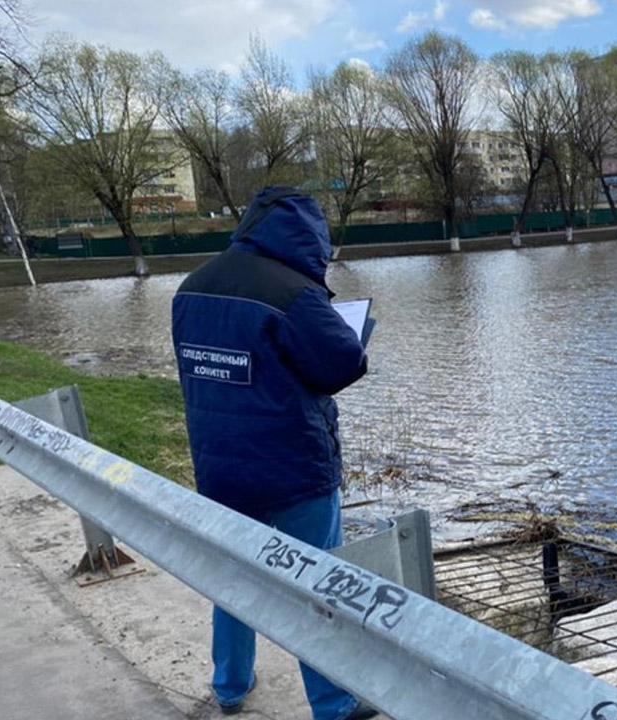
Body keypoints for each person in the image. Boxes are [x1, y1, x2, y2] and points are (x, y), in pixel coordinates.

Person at [171, 187, 373, 719]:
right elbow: (342, 364)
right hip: (294, 469)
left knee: (233, 578)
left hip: (219, 467)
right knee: (318, 587)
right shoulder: (293, 293)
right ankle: (333, 704)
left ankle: (231, 685)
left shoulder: (191, 287)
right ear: (309, 238)